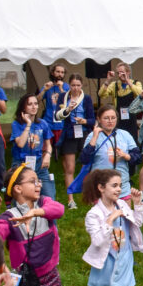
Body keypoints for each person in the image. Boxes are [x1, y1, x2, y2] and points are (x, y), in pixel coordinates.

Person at [80, 106, 140, 201]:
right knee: (104, 215)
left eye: (113, 118)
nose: (110, 121)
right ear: (99, 119)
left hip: (122, 186)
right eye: (106, 118)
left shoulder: (125, 135)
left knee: (125, 215)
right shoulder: (92, 136)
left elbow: (137, 158)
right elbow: (84, 159)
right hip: (101, 186)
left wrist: (125, 156)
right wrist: (94, 138)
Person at [54, 74, 95, 209]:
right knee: (70, 168)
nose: (76, 88)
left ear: (82, 85)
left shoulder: (86, 98)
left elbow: (92, 120)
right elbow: (57, 116)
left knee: (87, 165)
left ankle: (89, 196)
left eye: (78, 85)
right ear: (69, 85)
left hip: (83, 133)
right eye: (73, 85)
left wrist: (84, 121)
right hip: (69, 133)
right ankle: (70, 199)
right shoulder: (63, 97)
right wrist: (68, 109)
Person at [10, 94, 55, 198]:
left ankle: (42, 213)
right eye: (30, 104)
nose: (34, 106)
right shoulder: (16, 124)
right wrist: (28, 124)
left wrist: (48, 155)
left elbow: (49, 145)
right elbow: (20, 144)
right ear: (23, 108)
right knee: (22, 198)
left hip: (39, 164)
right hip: (21, 164)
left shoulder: (43, 123)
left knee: (49, 196)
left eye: (35, 103)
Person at [97, 62, 143, 141]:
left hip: (131, 120)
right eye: (118, 73)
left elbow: (140, 94)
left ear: (128, 72)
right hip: (118, 119)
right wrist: (108, 80)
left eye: (122, 72)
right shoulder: (114, 85)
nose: (120, 75)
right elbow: (101, 94)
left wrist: (128, 81)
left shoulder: (136, 83)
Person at [39, 64, 69, 147]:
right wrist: (44, 90)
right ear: (52, 73)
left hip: (62, 122)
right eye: (58, 72)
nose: (60, 74)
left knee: (63, 151)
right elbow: (37, 100)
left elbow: (69, 101)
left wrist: (61, 89)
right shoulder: (48, 86)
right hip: (48, 121)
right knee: (46, 148)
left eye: (62, 72)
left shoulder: (66, 87)